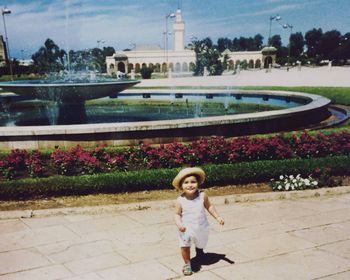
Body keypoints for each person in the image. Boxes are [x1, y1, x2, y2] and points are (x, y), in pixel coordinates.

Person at [173, 167, 225, 276]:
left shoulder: (202, 196)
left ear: (198, 183)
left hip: (201, 227)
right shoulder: (180, 200)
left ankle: (200, 251)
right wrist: (179, 224)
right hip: (186, 229)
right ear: (181, 186)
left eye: (193, 182)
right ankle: (187, 264)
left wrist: (218, 217)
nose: (190, 185)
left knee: (201, 242)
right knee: (184, 245)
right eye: (186, 182)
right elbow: (176, 214)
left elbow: (209, 206)